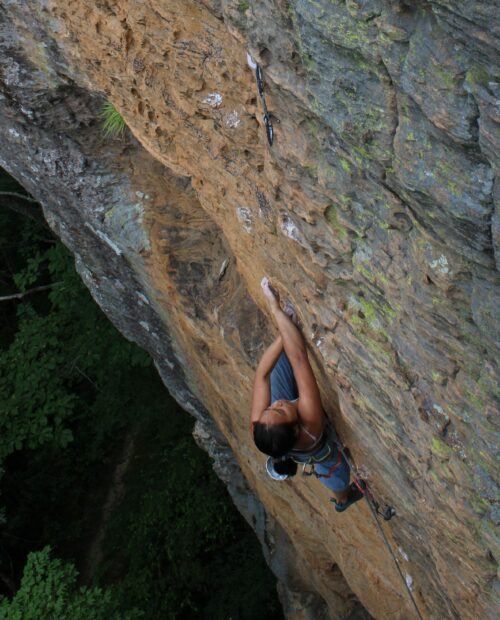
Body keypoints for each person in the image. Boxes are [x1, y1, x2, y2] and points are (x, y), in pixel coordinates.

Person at [250, 277, 363, 512]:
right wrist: (276, 309)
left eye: (270, 408)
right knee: (333, 471)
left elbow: (261, 375)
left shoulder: (261, 426)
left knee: (277, 363)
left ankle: (287, 331)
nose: (277, 403)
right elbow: (300, 359)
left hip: (286, 435)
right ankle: (343, 498)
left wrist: (284, 332)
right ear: (295, 427)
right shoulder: (310, 424)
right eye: (279, 409)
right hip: (317, 449)